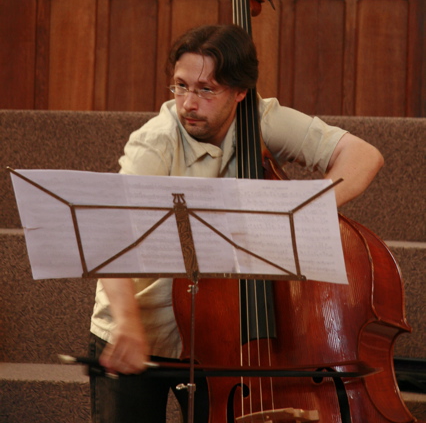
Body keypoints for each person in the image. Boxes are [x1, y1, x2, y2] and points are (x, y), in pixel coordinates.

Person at [89, 24, 384, 423]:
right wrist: (126, 322)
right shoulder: (155, 142)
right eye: (180, 86)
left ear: (240, 92)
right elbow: (111, 235)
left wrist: (302, 209)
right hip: (138, 325)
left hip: (219, 336)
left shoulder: (261, 117)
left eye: (206, 89)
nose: (189, 103)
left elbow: (363, 156)